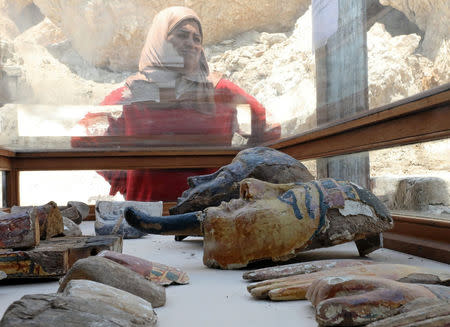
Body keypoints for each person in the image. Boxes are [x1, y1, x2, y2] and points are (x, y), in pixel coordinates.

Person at [73, 6, 280, 202]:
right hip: (146, 216)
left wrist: (239, 175)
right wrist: (123, 180)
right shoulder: (133, 94)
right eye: (182, 35)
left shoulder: (220, 91)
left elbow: (268, 128)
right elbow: (83, 138)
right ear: (160, 40)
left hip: (211, 215)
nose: (191, 43)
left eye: (196, 38)